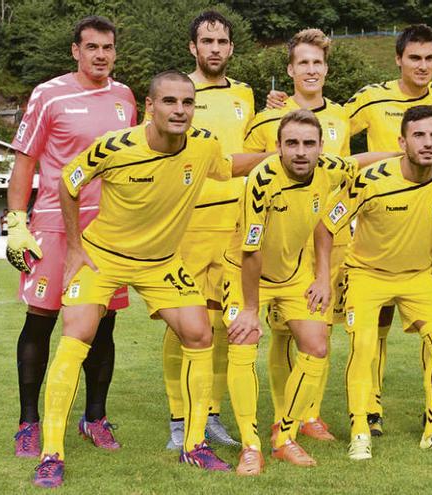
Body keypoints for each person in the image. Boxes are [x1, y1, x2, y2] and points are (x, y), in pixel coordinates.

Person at [32, 70, 258, 487]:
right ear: (149, 107)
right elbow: (69, 182)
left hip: (161, 262)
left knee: (199, 333)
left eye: (187, 103)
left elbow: (226, 168)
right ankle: (51, 453)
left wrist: (274, 156)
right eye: (169, 102)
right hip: (104, 257)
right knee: (76, 332)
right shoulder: (115, 147)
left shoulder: (204, 144)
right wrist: (76, 247)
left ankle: (194, 445)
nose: (180, 110)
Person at [6, 16, 137, 458]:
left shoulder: (124, 98)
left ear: (115, 52)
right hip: (55, 226)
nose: (101, 55)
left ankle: (94, 418)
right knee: (40, 320)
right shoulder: (48, 94)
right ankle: (28, 422)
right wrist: (16, 221)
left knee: (103, 326)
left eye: (108, 47)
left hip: (108, 233)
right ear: (75, 51)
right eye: (92, 47)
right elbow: (25, 161)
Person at [316, 105, 432, 460]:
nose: (428, 143)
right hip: (366, 275)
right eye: (419, 135)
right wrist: (323, 278)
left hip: (417, 277)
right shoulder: (371, 180)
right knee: (364, 345)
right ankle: (359, 430)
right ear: (402, 141)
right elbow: (326, 225)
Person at [224, 110, 366, 475]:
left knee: (317, 345)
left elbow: (358, 164)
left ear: (321, 147)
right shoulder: (261, 181)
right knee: (245, 339)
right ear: (278, 147)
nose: (301, 152)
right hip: (245, 274)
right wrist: (251, 309)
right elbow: (251, 250)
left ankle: (284, 436)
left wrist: (321, 276)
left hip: (293, 275)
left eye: (308, 144)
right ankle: (250, 446)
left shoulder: (331, 168)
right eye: (292, 144)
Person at [245, 28, 352, 442]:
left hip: (330, 240)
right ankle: (282, 416)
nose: (311, 69)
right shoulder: (267, 118)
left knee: (319, 330)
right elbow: (249, 170)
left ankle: (311, 414)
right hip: (282, 245)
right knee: (283, 332)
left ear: (327, 69)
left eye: (318, 63)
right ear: (290, 69)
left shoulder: (341, 117)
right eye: (303, 62)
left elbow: (348, 172)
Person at [160, 9, 253, 452]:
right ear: (192, 48)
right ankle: (180, 419)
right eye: (207, 41)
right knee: (183, 324)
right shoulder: (178, 95)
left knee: (220, 324)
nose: (215, 49)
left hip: (235, 226)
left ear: (231, 48)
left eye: (222, 42)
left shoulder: (247, 95)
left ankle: (210, 412)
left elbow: (255, 150)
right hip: (189, 225)